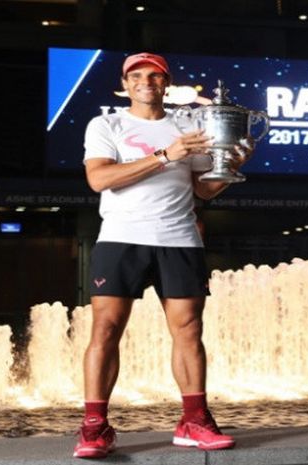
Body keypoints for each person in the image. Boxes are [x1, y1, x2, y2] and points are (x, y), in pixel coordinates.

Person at [74, 52, 252, 459]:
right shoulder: (107, 124)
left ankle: (194, 420)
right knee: (105, 329)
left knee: (189, 330)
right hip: (121, 238)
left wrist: (230, 168)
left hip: (180, 238)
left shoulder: (189, 124)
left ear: (165, 83)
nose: (146, 82)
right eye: (136, 75)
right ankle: (95, 427)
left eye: (154, 76)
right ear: (125, 83)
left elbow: (202, 190)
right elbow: (100, 178)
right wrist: (164, 156)